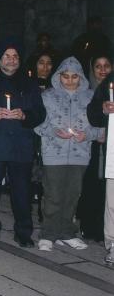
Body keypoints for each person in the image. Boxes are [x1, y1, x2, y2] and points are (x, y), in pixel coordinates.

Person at [0, 41, 46, 247]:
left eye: (15, 56)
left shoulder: (30, 83)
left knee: (22, 191)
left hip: (20, 144)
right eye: (7, 55)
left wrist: (25, 115)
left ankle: (23, 232)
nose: (12, 59)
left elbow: (40, 113)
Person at [35, 57, 98, 251]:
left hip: (80, 155)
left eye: (74, 77)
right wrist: (54, 131)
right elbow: (37, 124)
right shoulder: (47, 97)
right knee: (53, 195)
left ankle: (67, 232)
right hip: (54, 153)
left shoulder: (91, 97)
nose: (70, 81)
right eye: (66, 76)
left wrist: (87, 134)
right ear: (59, 76)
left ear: (81, 77)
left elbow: (101, 127)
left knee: (72, 195)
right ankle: (48, 233)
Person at [77, 54, 112, 241]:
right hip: (86, 145)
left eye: (107, 65)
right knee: (89, 186)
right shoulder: (84, 89)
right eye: (98, 66)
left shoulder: (109, 90)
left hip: (106, 147)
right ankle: (88, 224)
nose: (103, 70)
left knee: (104, 188)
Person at [87, 69, 114, 265]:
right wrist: (103, 109)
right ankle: (112, 244)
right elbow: (93, 113)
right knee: (112, 202)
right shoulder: (110, 83)